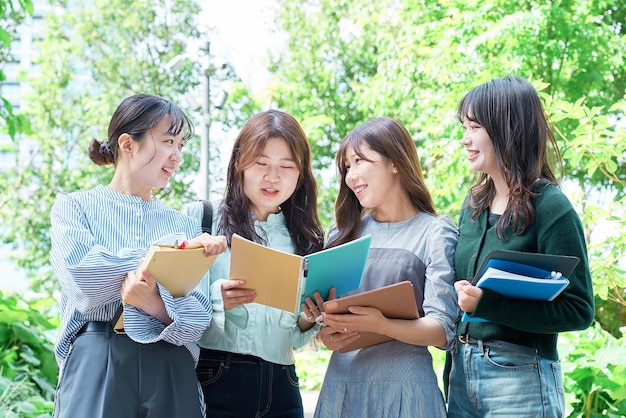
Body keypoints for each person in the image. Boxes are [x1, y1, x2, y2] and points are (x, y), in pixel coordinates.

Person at [49, 93, 227, 418]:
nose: (177, 156)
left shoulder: (184, 225)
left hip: (172, 363)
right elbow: (84, 280)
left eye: (181, 146)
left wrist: (151, 303)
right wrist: (167, 254)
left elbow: (196, 322)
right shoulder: (74, 207)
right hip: (97, 356)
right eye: (168, 141)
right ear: (128, 145)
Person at [446, 76, 595, 417]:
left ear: (506, 129)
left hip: (520, 375)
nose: (465, 139)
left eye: (474, 127)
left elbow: (579, 309)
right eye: (464, 127)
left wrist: (489, 304)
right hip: (459, 371)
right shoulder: (472, 207)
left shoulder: (551, 207)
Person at [182, 109, 326, 417]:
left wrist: (309, 317)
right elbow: (171, 301)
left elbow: (294, 335)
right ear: (239, 163)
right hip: (215, 375)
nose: (273, 177)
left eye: (286, 167)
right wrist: (216, 300)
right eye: (261, 164)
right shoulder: (203, 219)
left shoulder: (306, 239)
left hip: (283, 382)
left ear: (300, 174)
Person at [314, 117, 459, 418]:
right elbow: (324, 323)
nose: (351, 176)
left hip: (406, 390)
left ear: (394, 162)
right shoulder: (342, 233)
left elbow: (443, 330)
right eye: (346, 168)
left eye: (359, 161)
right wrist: (325, 334)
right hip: (343, 387)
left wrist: (381, 325)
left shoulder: (435, 232)